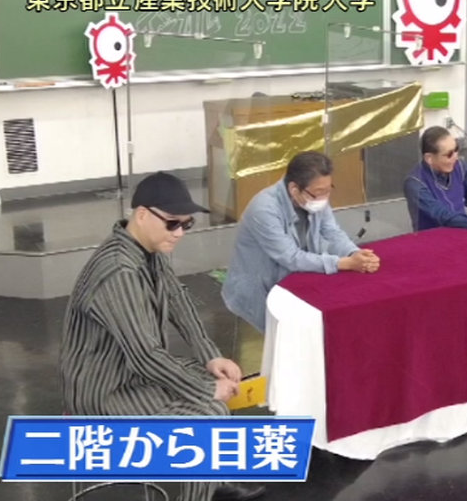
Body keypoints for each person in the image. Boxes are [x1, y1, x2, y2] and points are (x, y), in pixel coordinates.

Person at [60, 172, 265, 501]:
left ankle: (213, 483)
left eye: (187, 224)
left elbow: (178, 301)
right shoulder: (118, 272)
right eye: (172, 223)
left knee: (216, 392)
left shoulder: (149, 251)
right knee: (209, 415)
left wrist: (210, 355)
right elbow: (145, 356)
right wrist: (206, 389)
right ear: (142, 214)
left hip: (134, 375)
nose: (180, 233)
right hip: (106, 392)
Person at [223, 151, 379, 332]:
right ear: (294, 189)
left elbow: (332, 232)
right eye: (319, 193)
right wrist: (343, 263)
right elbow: (290, 257)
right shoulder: (264, 209)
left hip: (293, 284)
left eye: (328, 190)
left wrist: (355, 253)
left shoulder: (313, 196)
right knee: (269, 345)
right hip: (257, 293)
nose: (324, 198)